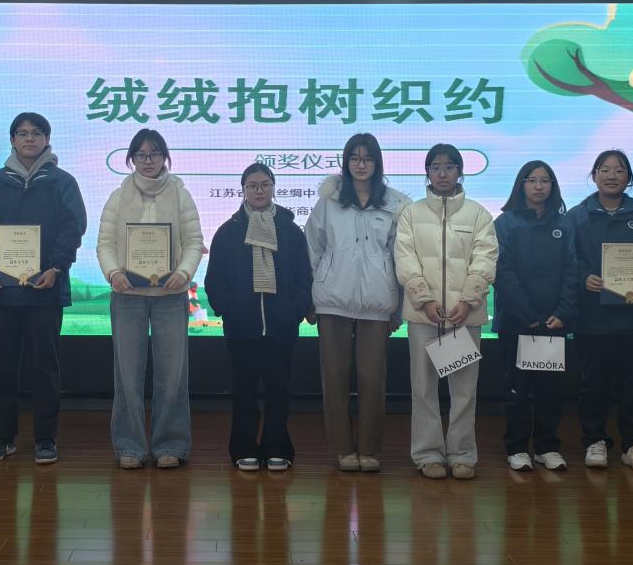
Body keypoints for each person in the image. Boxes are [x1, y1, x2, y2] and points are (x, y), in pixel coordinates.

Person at [0, 113, 86, 465]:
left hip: (45, 290)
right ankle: (3, 437)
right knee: (2, 370)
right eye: (22, 133)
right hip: (1, 292)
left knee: (45, 369)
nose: (29, 139)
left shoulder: (63, 183)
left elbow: (73, 228)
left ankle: (45, 439)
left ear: (47, 139)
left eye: (36, 133)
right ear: (12, 140)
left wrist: (55, 267)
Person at [96, 128, 204, 469]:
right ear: (131, 159)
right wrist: (113, 272)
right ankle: (129, 445)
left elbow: (194, 241)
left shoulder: (180, 194)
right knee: (127, 374)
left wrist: (184, 272)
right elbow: (105, 243)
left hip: (170, 295)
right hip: (127, 295)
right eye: (141, 155)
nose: (148, 160)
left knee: (173, 374)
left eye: (154, 154)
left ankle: (171, 444)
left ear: (164, 158)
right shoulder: (118, 196)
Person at [305, 133, 409, 472]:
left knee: (372, 378)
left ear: (377, 163)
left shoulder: (395, 204)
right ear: (345, 162)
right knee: (334, 377)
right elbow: (313, 248)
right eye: (354, 158)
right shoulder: (329, 201)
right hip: (332, 299)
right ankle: (343, 448)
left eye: (367, 158)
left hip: (378, 301)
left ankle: (369, 448)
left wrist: (398, 307)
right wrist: (312, 296)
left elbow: (401, 258)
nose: (361, 164)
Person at [394, 143, 498, 480]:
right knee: (423, 390)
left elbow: (485, 259)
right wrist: (424, 299)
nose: (442, 173)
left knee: (464, 392)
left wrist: (467, 301)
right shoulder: (411, 214)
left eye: (449, 166)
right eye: (435, 167)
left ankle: (462, 454)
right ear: (427, 172)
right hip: (424, 316)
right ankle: (427, 455)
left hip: (463, 316)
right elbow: (405, 258)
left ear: (459, 172)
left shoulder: (478, 215)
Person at [204, 163, 313, 472]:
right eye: (252, 185)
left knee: (279, 390)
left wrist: (295, 310)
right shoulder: (228, 231)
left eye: (265, 184)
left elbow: (304, 276)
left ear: (273, 187)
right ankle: (244, 447)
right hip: (242, 328)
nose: (259, 190)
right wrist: (230, 308)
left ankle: (278, 446)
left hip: (281, 326)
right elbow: (215, 280)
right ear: (243, 190)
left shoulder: (290, 231)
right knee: (244, 392)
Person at [570, 149, 633, 474]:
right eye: (605, 169)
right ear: (594, 175)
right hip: (591, 318)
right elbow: (567, 259)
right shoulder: (577, 216)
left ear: (629, 178)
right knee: (592, 384)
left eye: (619, 170)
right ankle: (595, 440)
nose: (612, 175)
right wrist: (584, 278)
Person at [493, 160, 578, 472]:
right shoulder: (506, 223)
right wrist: (526, 313)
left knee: (549, 389)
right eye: (532, 180)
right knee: (517, 389)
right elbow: (502, 271)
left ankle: (546, 447)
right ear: (521, 185)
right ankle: (517, 448)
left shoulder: (564, 224)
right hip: (517, 322)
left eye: (545, 180)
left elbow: (572, 270)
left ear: (553, 186)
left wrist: (563, 312)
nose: (539, 186)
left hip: (553, 323)